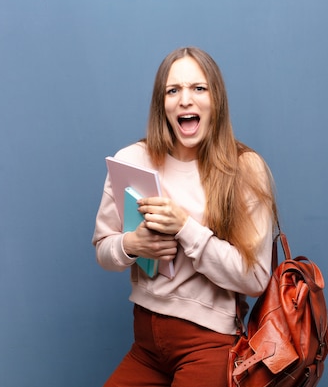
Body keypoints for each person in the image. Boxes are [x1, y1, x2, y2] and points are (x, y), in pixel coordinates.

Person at [92, 46, 278, 387]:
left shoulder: (246, 168)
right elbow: (104, 250)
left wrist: (185, 228)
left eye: (199, 88)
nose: (185, 100)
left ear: (216, 99)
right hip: (146, 343)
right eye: (173, 90)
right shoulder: (132, 160)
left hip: (208, 345)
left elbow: (254, 279)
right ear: (161, 103)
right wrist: (133, 245)